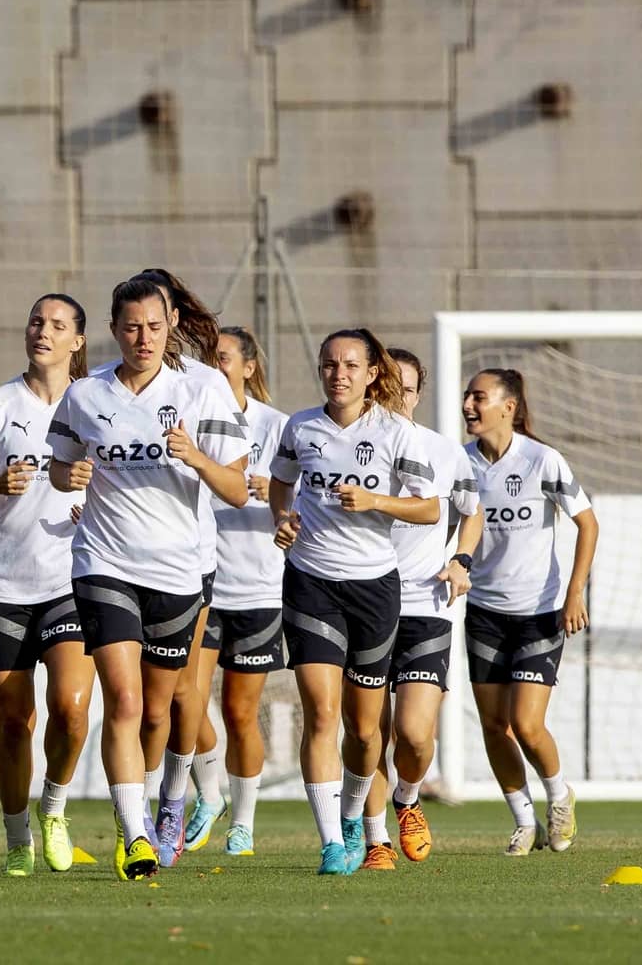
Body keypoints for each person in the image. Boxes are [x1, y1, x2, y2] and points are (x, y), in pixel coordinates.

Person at [48, 280, 250, 881]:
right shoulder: (86, 394)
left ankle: (166, 799)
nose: (144, 339)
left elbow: (238, 490)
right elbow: (60, 467)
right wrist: (70, 474)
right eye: (132, 328)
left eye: (154, 328)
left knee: (159, 712)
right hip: (104, 565)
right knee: (126, 700)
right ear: (114, 328)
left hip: (179, 571)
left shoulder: (202, 387)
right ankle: (133, 834)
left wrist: (197, 458)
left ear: (171, 326)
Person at [268, 329, 439, 876]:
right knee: (320, 712)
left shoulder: (396, 432)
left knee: (365, 730)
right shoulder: (301, 427)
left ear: (371, 375)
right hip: (311, 583)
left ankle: (352, 815)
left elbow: (430, 509)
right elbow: (279, 482)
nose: (337, 373)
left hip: (374, 589)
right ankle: (330, 844)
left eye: (349, 365)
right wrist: (282, 518)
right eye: (328, 364)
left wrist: (376, 501)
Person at [0, 294, 93, 876]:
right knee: (13, 720)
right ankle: (15, 836)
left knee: (72, 709)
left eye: (57, 325)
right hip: (1, 582)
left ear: (78, 341)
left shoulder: (98, 404)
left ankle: (54, 809)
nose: (43, 332)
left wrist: (97, 501)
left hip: (74, 580)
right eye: (35, 321)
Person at [462, 368, 598, 856]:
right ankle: (524, 822)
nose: (468, 406)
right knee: (493, 726)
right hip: (483, 613)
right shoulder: (461, 464)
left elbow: (588, 523)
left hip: (540, 614)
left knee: (527, 724)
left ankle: (559, 796)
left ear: (509, 406)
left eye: (479, 396)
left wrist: (574, 593)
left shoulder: (542, 460)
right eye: (466, 397)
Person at [357, 348, 482, 870]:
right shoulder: (353, 444)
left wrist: (460, 559)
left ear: (418, 393)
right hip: (363, 600)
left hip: (425, 603)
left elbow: (470, 514)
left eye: (406, 388)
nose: (396, 396)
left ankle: (408, 797)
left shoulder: (446, 451)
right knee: (367, 732)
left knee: (412, 733)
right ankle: (374, 839)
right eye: (389, 386)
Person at [197, 327, 290, 858]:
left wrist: (270, 490)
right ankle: (208, 793)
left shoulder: (277, 428)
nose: (215, 365)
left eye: (225, 357)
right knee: (180, 704)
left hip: (256, 587)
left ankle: (244, 823)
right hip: (197, 582)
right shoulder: (188, 412)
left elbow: (303, 496)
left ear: (249, 368)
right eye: (209, 357)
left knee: (238, 712)